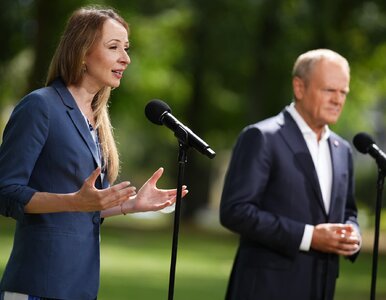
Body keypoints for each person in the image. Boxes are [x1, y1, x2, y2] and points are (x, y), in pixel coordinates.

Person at [0, 6, 187, 300]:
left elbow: (89, 206)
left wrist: (132, 205)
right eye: (113, 47)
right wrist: (74, 201)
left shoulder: (98, 120)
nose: (125, 58)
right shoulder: (40, 106)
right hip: (37, 286)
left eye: (126, 48)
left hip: (81, 288)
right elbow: (6, 192)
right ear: (82, 52)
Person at [220, 49, 361, 300]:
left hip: (321, 287)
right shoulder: (262, 137)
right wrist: (309, 237)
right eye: (329, 90)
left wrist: (352, 233)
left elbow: (349, 211)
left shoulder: (343, 150)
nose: (338, 100)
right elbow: (236, 211)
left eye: (343, 93)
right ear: (299, 87)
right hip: (266, 289)